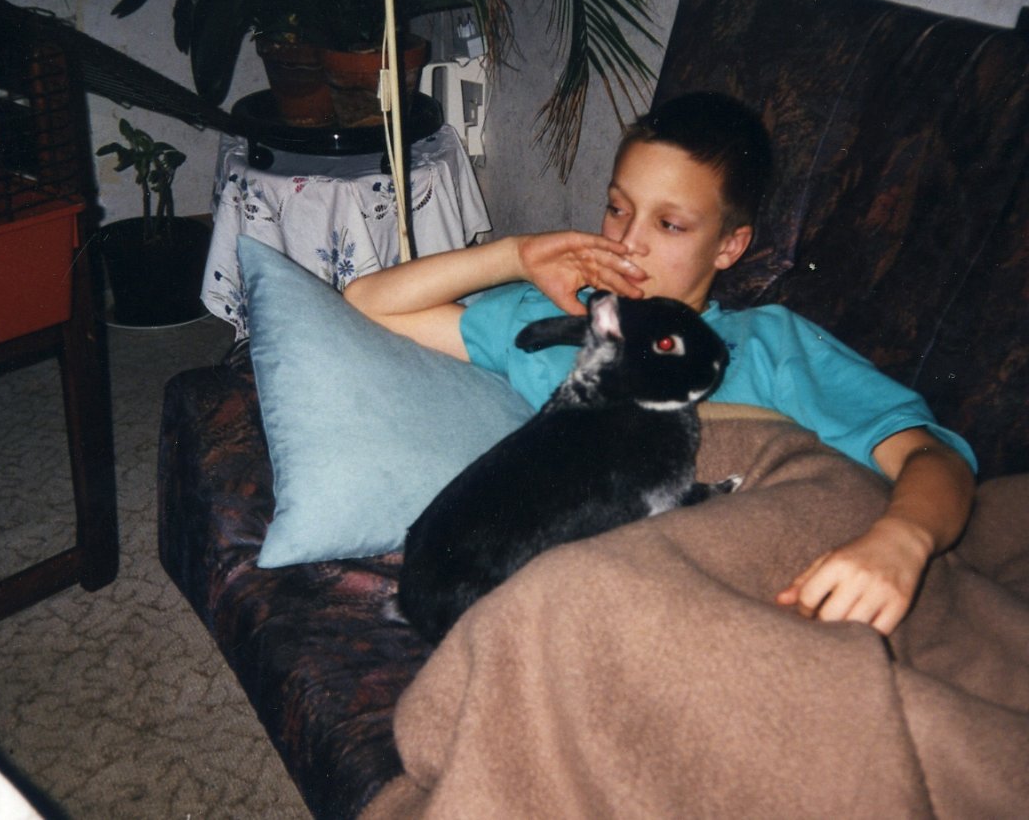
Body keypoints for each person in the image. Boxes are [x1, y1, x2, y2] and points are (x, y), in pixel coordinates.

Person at [344, 91, 976, 635]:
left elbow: (933, 459)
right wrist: (516, 256)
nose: (627, 241)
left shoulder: (770, 343)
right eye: (618, 207)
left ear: (729, 245)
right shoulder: (565, 321)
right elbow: (370, 302)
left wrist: (902, 540)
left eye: (670, 224)